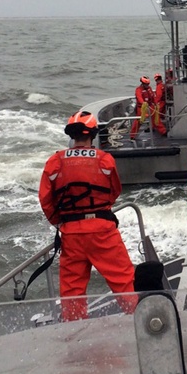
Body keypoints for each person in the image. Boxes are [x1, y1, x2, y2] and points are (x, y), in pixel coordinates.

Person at [39, 110, 137, 320]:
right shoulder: (105, 160)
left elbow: (46, 200)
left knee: (72, 292)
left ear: (71, 136)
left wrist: (60, 222)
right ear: (93, 134)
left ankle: (76, 337)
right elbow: (114, 191)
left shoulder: (55, 161)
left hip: (71, 234)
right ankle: (142, 322)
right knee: (124, 282)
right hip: (102, 230)